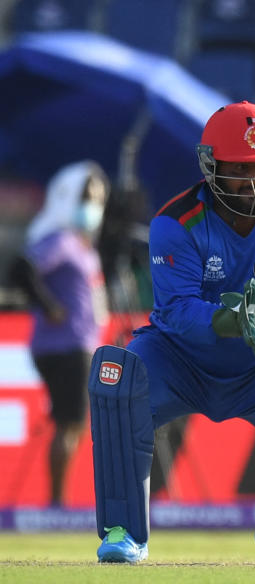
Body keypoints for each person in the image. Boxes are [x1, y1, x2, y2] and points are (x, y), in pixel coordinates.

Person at [88, 101, 255, 564]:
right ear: (211, 169)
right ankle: (124, 532)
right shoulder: (175, 222)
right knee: (118, 380)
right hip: (180, 359)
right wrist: (231, 321)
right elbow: (176, 312)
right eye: (243, 170)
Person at [12, 161, 109, 507]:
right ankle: (57, 503)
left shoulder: (83, 246)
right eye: (86, 197)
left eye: (97, 199)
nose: (92, 206)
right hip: (64, 345)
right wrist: (50, 306)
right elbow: (23, 267)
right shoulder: (62, 241)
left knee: (73, 423)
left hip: (79, 344)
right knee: (70, 422)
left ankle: (58, 500)